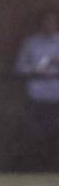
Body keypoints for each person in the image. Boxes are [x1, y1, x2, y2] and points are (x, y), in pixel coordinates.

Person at [14, 9, 59, 169]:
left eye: (53, 21)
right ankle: (38, 167)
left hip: (57, 96)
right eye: (46, 21)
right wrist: (36, 70)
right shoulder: (31, 43)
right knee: (37, 134)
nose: (50, 25)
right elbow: (20, 67)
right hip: (37, 96)